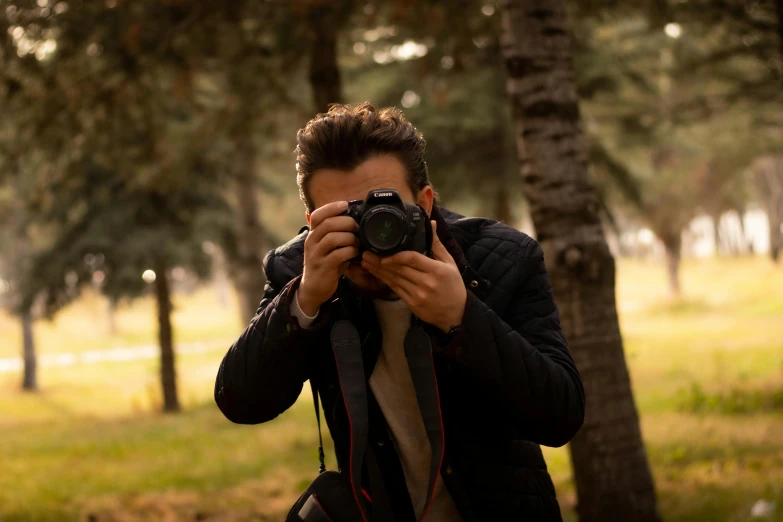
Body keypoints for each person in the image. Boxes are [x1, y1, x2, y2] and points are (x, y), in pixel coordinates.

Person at [214, 103, 585, 521]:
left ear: (425, 202)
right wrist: (304, 301)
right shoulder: (297, 271)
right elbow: (240, 402)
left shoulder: (503, 259)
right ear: (312, 221)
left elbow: (561, 416)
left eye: (384, 208)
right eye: (346, 217)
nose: (372, 229)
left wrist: (462, 316)